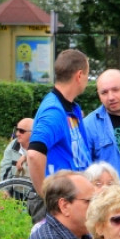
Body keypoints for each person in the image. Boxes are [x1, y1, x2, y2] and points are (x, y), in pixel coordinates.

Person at [27, 49, 92, 196]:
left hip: (74, 199)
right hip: (60, 203)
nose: (88, 80)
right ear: (79, 75)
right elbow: (34, 154)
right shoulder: (54, 111)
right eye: (88, 75)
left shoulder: (71, 108)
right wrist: (46, 197)